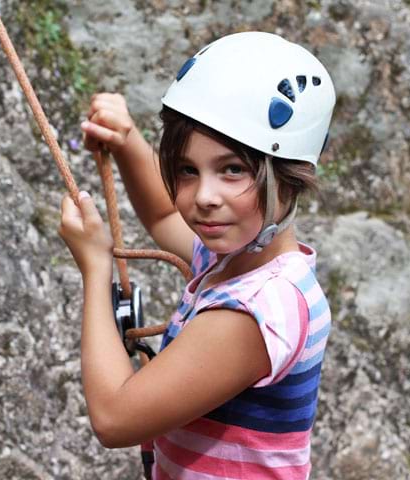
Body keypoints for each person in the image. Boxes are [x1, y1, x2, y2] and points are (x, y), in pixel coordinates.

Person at [58, 31, 335, 479]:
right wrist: (128, 143)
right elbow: (167, 214)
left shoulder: (256, 311)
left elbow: (113, 417)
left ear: (292, 175)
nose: (204, 197)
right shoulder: (243, 260)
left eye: (232, 170)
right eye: (187, 169)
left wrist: (96, 267)